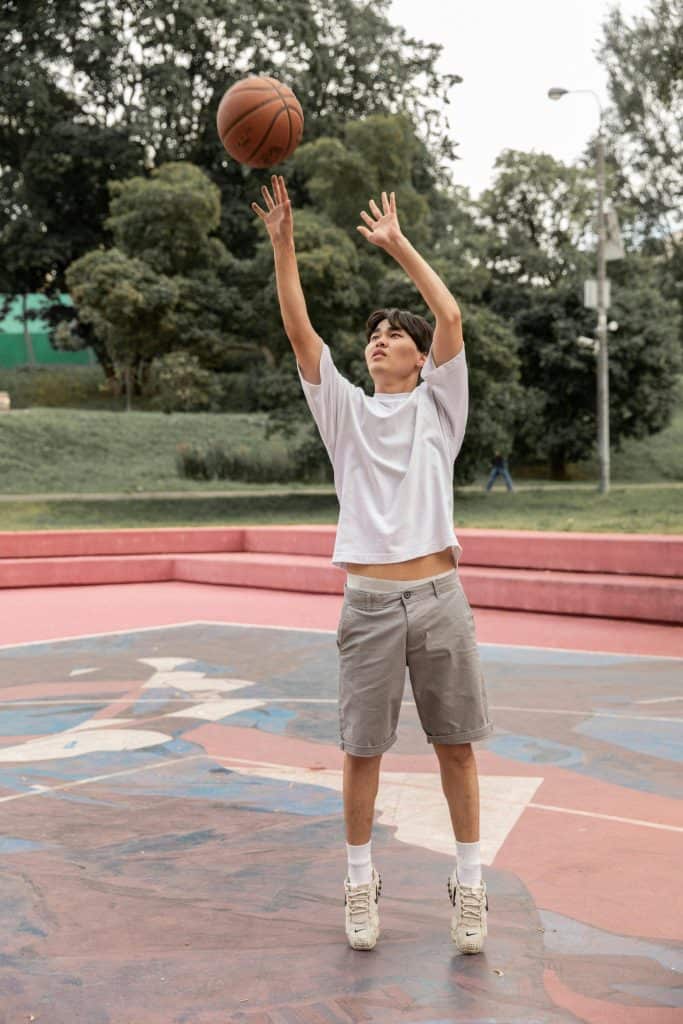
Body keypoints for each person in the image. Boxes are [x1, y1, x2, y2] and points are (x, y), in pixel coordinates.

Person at [252, 176, 493, 955]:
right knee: (362, 750)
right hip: (367, 602)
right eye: (374, 334)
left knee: (454, 746)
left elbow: (451, 314)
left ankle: (469, 886)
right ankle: (359, 882)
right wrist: (283, 243)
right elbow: (300, 333)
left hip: (438, 597)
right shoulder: (346, 412)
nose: (379, 339)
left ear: (422, 360)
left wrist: (397, 246)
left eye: (395, 334)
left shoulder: (439, 408)